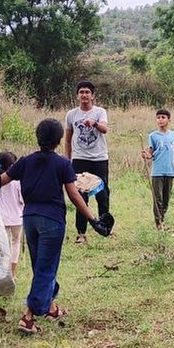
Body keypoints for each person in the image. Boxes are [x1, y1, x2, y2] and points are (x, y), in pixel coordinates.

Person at [5, 118, 107, 334]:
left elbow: (1, 179)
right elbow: (74, 195)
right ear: (59, 140)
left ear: (38, 137)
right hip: (51, 221)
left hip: (30, 219)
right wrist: (92, 220)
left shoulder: (25, 161)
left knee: (40, 265)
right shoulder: (62, 164)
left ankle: (50, 308)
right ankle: (28, 317)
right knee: (45, 268)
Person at [64, 80, 110, 245]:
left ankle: (104, 227)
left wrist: (95, 123)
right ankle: (81, 233)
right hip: (79, 159)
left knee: (102, 194)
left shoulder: (100, 112)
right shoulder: (71, 115)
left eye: (87, 92)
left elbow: (105, 129)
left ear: (92, 95)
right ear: (77, 96)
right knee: (80, 195)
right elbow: (68, 139)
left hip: (99, 158)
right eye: (81, 92)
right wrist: (67, 161)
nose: (84, 95)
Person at [140, 108, 174, 229]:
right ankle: (158, 223)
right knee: (158, 199)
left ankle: (162, 219)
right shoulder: (153, 136)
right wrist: (146, 155)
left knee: (166, 199)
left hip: (170, 171)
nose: (160, 120)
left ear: (168, 119)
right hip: (157, 172)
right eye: (158, 117)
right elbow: (150, 153)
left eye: (163, 117)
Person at [0, 151, 25, 277]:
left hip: (0, 217)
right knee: (15, 241)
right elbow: (22, 199)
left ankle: (0, 270)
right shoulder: (17, 181)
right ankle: (12, 272)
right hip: (16, 217)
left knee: (1, 242)